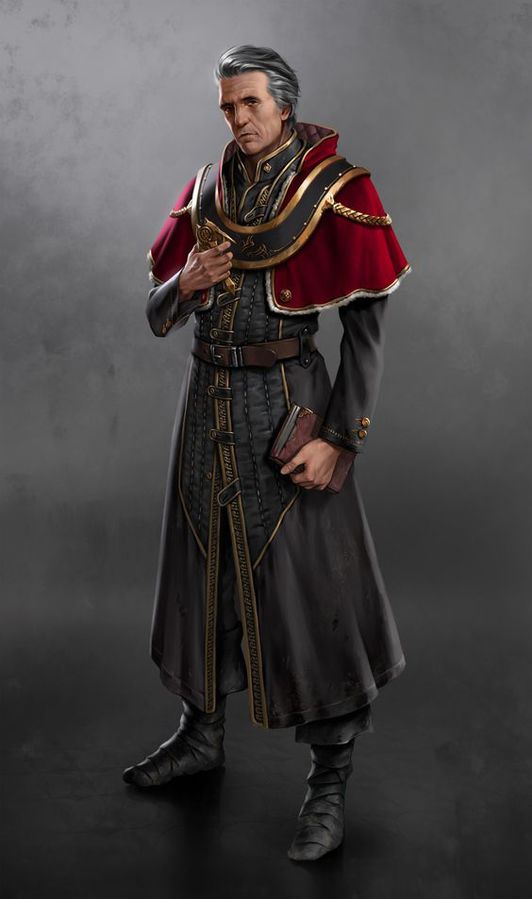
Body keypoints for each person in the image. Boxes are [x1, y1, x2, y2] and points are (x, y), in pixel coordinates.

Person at [122, 44, 411, 862]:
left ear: (285, 103)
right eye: (227, 105)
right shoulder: (206, 191)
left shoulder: (337, 190)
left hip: (290, 408)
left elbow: (367, 330)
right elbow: (156, 314)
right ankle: (200, 733)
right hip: (205, 404)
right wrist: (183, 285)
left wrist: (340, 440)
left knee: (311, 593)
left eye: (250, 102)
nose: (238, 118)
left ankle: (329, 783)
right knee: (202, 572)